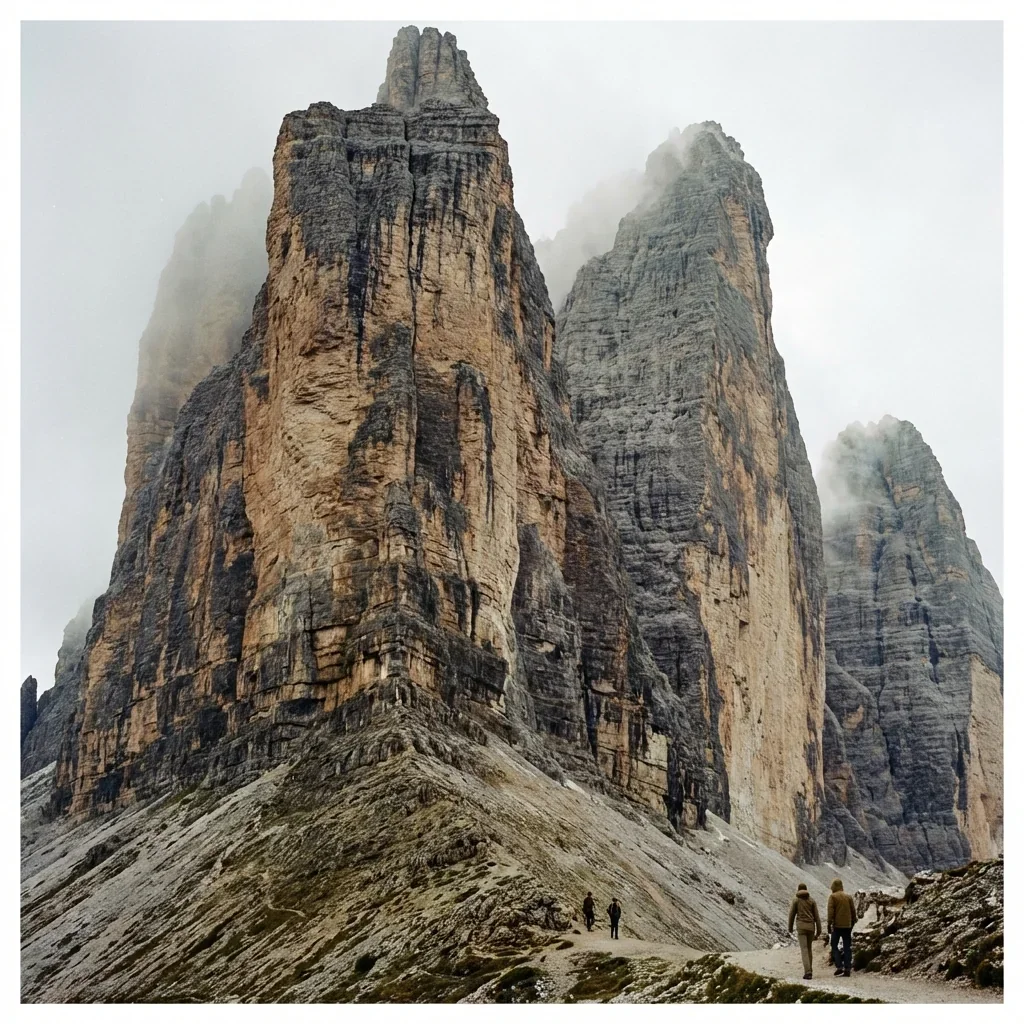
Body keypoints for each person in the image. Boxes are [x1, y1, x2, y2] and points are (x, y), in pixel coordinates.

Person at [786, 883, 822, 980]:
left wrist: (790, 928)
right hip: (811, 927)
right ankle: (810, 969)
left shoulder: (796, 900)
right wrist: (819, 930)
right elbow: (817, 917)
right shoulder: (811, 900)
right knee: (809, 949)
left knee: (804, 949)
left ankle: (808, 972)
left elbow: (792, 915)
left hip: (801, 927)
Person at [827, 878, 858, 976]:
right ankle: (848, 968)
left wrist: (829, 923)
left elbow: (830, 911)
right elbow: (853, 911)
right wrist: (853, 921)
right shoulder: (848, 897)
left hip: (837, 926)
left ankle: (839, 966)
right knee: (847, 947)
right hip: (847, 926)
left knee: (834, 945)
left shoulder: (833, 897)